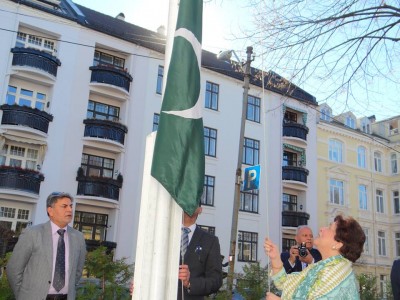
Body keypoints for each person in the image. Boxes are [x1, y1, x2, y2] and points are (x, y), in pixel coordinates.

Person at [7, 192, 87, 300]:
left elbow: (77, 272)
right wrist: (23, 295)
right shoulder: (32, 233)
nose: (69, 210)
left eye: (71, 206)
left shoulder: (78, 237)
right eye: (64, 206)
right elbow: (14, 269)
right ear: (50, 211)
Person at [264, 215, 365, 299]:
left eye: (329, 228)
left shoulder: (336, 272)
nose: (321, 229)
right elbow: (286, 284)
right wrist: (275, 257)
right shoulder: (324, 267)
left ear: (338, 244)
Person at [178, 205, 223, 300]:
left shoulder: (210, 241)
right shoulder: (163, 233)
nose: (188, 203)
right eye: (186, 199)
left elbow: (216, 280)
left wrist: (190, 283)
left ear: (200, 209)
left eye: (193, 200)